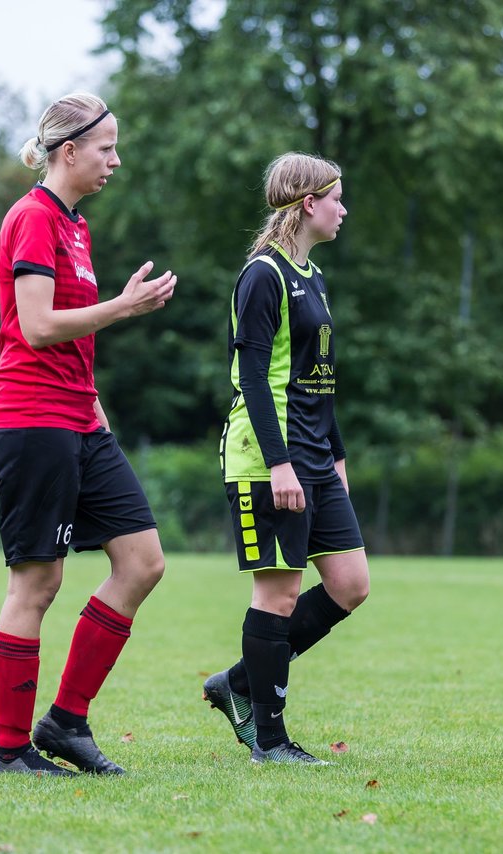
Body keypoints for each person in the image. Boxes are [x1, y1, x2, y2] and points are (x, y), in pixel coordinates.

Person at [0, 92, 177, 776]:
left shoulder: (75, 226)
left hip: (80, 420)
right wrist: (122, 307)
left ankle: (65, 723)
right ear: (69, 152)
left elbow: (70, 341)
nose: (115, 161)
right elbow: (36, 328)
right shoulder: (33, 218)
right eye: (106, 148)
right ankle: (10, 753)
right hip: (32, 420)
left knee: (143, 560)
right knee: (37, 583)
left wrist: (94, 409)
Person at [202, 152, 369, 765]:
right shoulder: (262, 276)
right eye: (336, 198)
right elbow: (251, 376)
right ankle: (269, 740)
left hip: (315, 458)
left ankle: (237, 681)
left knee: (351, 585)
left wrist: (336, 454)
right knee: (277, 595)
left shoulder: (313, 276)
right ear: (308, 203)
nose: (343, 209)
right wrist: (280, 465)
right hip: (265, 457)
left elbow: (317, 378)